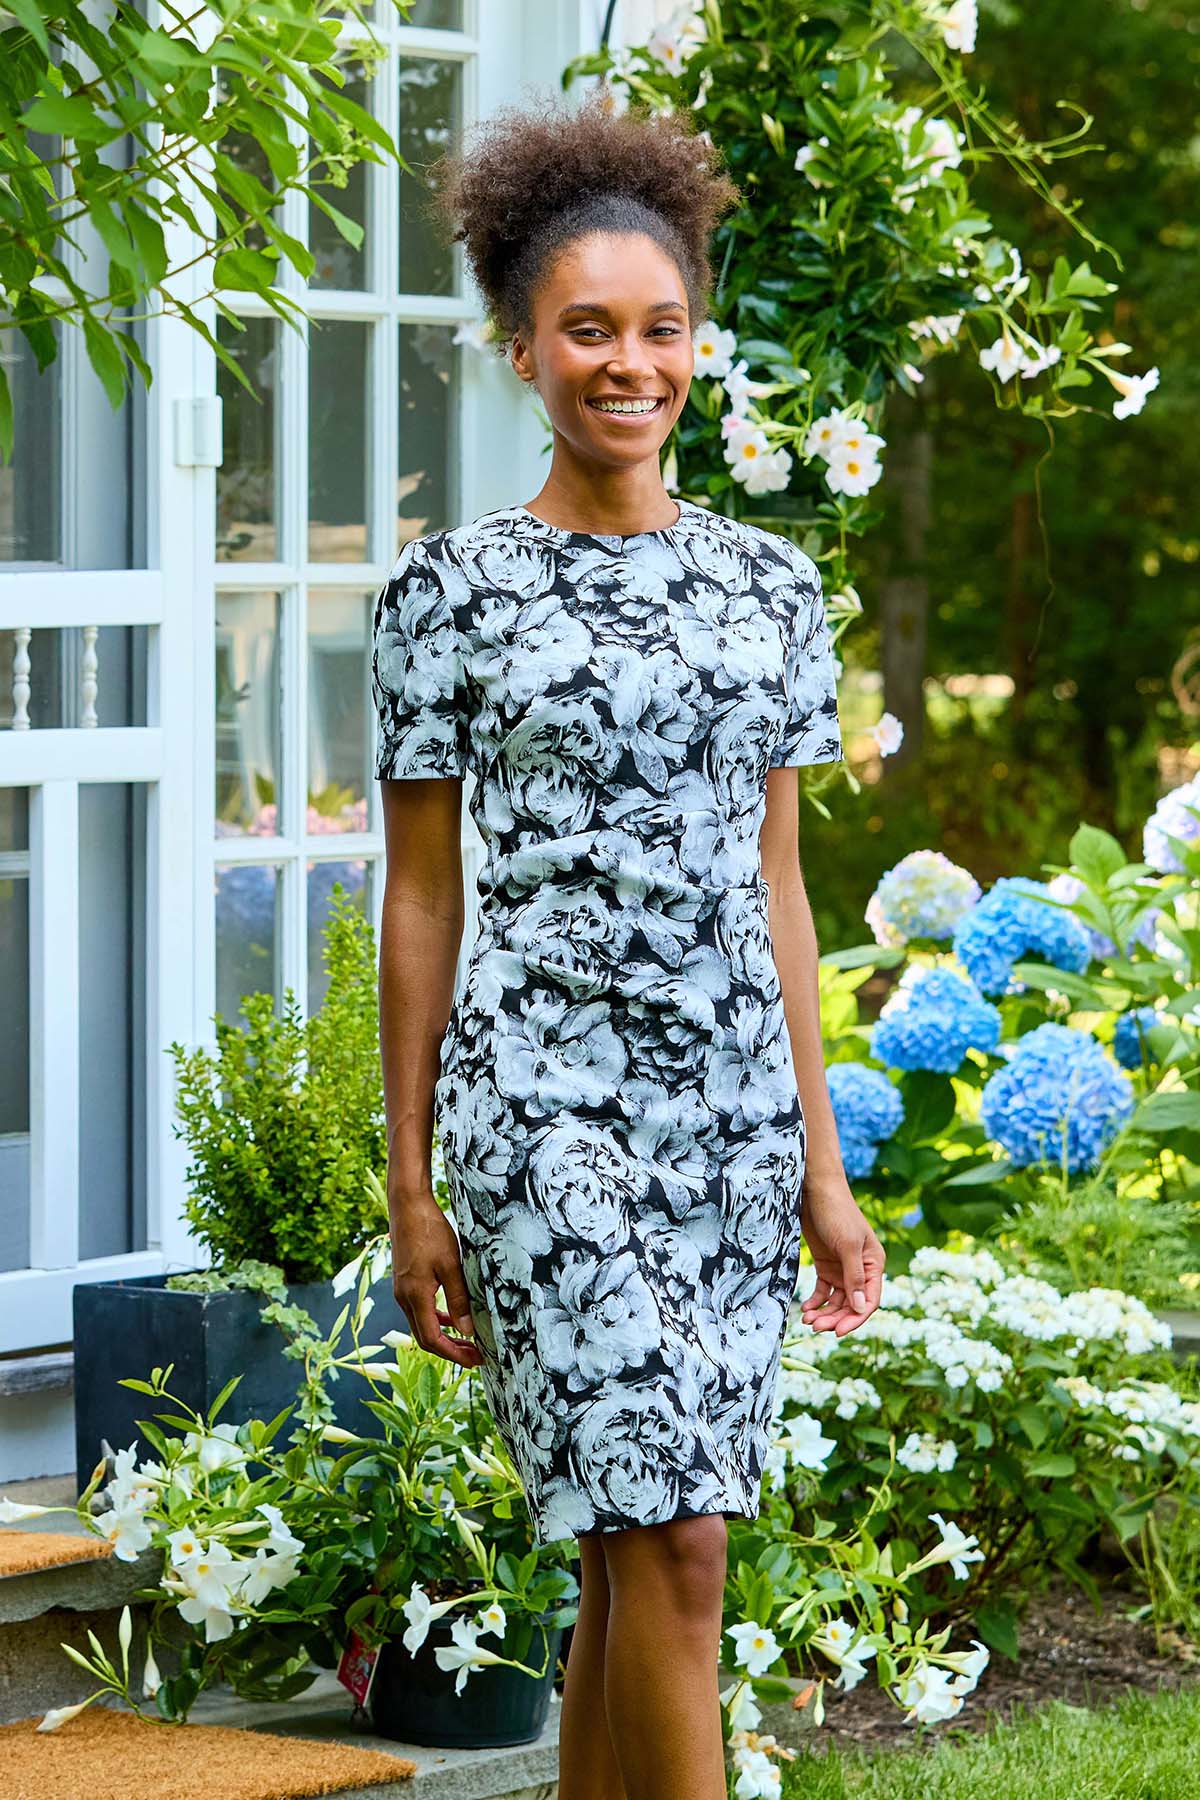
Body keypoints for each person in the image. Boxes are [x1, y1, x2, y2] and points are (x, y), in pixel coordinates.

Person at [372, 86, 885, 1800]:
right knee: (658, 1539)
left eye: (659, 327)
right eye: (586, 329)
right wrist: (415, 1180)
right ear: (521, 347)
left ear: (697, 340)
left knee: (657, 1560)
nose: (628, 362)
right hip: (544, 1114)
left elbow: (782, 884)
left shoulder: (772, 590)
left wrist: (820, 1158)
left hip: (732, 1123)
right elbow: (423, 897)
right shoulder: (451, 595)